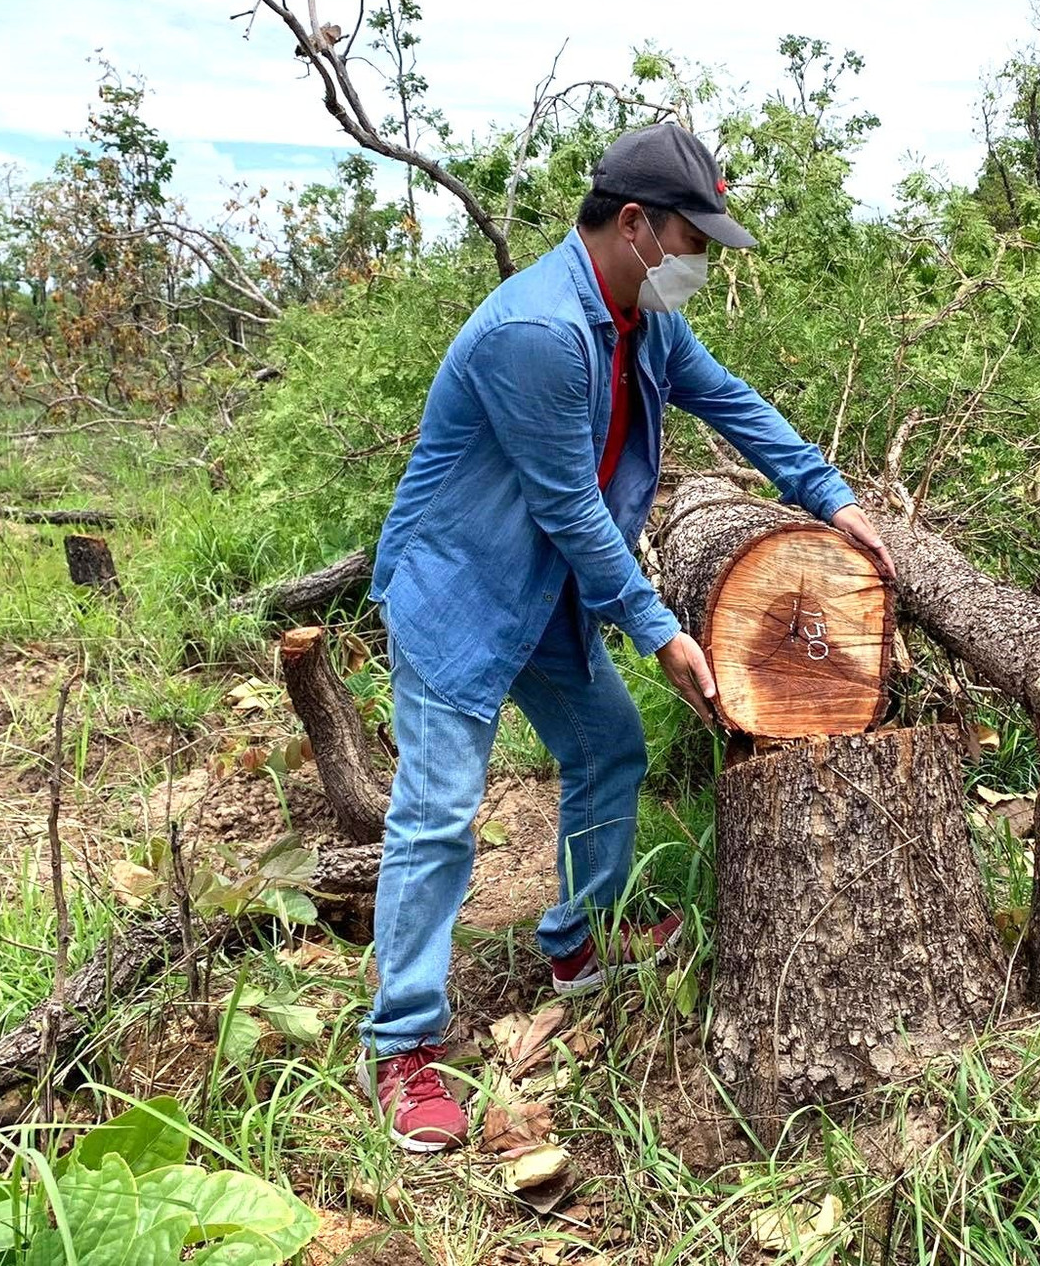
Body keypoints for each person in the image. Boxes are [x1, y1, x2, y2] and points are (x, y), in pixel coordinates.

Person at [357, 123, 894, 1151]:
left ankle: (579, 942)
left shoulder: (641, 321)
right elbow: (567, 504)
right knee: (436, 814)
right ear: (636, 224)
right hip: (462, 592)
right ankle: (404, 1046)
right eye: (693, 241)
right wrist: (657, 630)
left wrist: (828, 496)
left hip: (548, 593)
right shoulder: (539, 334)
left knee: (607, 749)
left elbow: (729, 401)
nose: (698, 265)